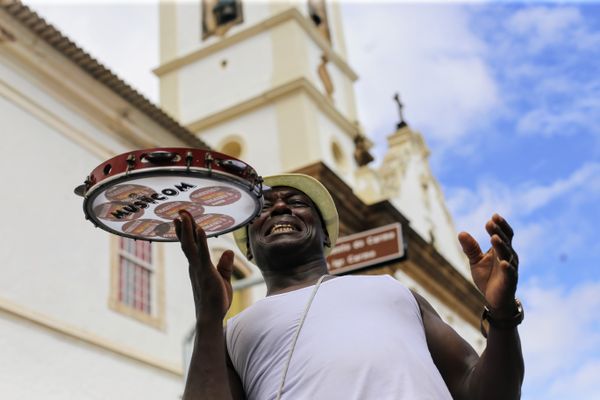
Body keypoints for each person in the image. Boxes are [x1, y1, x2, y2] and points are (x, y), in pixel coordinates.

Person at [174, 173, 524, 400]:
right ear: (249, 245)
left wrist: (503, 313)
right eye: (264, 208)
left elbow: (488, 393)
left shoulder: (393, 292)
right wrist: (207, 319)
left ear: (325, 233)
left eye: (296, 203)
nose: (280, 207)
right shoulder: (232, 332)